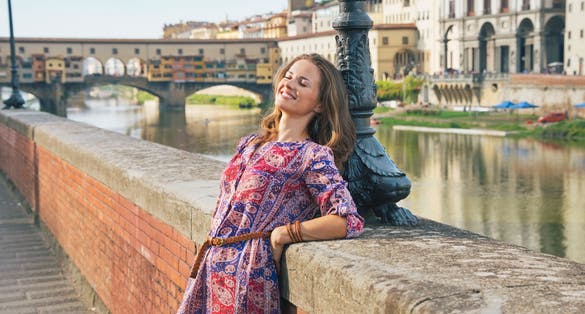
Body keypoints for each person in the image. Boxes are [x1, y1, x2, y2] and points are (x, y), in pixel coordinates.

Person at [177, 53, 365, 314]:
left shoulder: (311, 155)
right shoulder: (250, 144)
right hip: (211, 268)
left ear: (320, 104)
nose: (289, 84)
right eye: (288, 77)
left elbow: (347, 220)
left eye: (302, 82)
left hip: (249, 277)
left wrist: (286, 233)